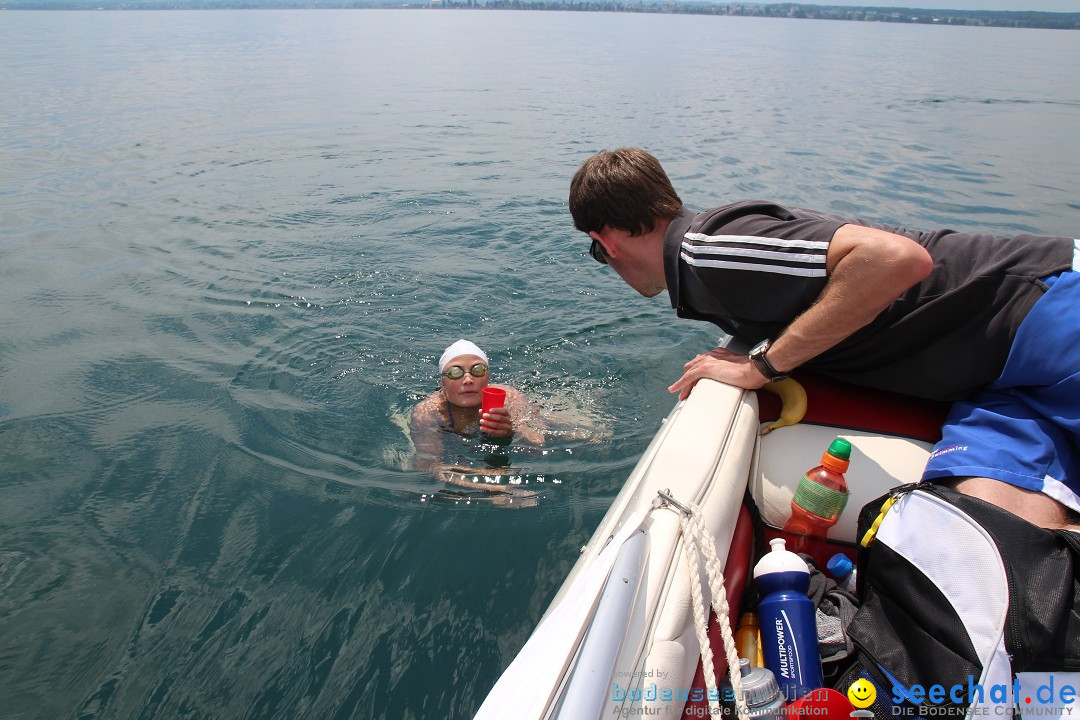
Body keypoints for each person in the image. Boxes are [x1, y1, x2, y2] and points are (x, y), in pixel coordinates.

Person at [569, 146, 1080, 531]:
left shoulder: (708, 249)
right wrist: (750, 340)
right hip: (999, 372)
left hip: (1046, 316)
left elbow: (898, 259)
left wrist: (760, 366)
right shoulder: (708, 264)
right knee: (1001, 535)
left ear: (605, 240)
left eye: (597, 255)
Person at [410, 339, 545, 491]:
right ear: (443, 381)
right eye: (455, 372)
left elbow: (538, 445)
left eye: (478, 370)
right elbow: (428, 465)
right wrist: (494, 488)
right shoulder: (429, 412)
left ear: (488, 376)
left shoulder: (509, 397)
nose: (468, 380)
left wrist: (511, 432)